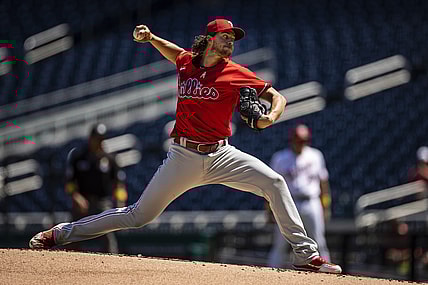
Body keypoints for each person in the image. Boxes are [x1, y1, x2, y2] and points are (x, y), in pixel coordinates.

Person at [29, 19, 341, 273]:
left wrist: (269, 117)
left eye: (233, 38)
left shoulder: (235, 72)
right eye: (225, 36)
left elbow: (278, 97)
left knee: (274, 182)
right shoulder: (187, 63)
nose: (231, 42)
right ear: (209, 39)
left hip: (222, 153)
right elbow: (173, 52)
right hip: (184, 155)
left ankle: (305, 254)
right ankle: (60, 234)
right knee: (138, 216)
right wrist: (151, 37)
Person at [267, 124, 332, 268]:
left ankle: (326, 273)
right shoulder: (280, 158)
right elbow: (270, 186)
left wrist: (325, 206)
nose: (301, 143)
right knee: (280, 243)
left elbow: (323, 184)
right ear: (292, 140)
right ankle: (270, 274)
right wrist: (269, 209)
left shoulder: (316, 155)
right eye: (298, 139)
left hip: (311, 202)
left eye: (304, 140)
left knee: (319, 241)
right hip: (288, 203)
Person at [63, 123, 128, 253]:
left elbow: (119, 184)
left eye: (102, 139)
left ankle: (112, 262)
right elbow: (69, 183)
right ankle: (68, 260)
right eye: (97, 139)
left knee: (107, 235)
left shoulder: (110, 159)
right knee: (73, 234)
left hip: (102, 203)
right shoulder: (78, 157)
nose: (99, 143)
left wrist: (120, 202)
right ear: (90, 138)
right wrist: (76, 197)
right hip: (82, 202)